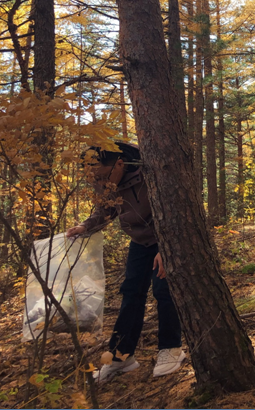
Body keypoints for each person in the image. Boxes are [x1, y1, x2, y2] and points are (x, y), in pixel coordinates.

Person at [66, 142, 185, 383]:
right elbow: (105, 210)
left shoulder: (149, 174)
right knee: (131, 293)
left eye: (99, 176)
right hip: (140, 242)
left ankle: (171, 348)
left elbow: (174, 209)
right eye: (92, 177)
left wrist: (166, 245)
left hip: (166, 237)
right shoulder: (105, 181)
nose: (97, 182)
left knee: (164, 289)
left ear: (119, 164)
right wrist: (85, 226)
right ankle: (121, 357)